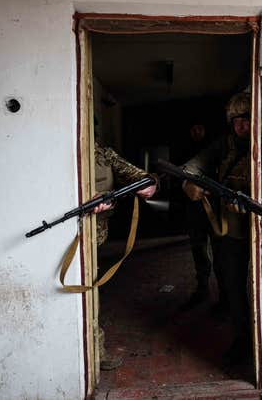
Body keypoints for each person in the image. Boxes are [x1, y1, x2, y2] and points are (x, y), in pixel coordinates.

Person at [181, 91, 252, 364]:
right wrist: (190, 183)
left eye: (245, 119)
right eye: (235, 121)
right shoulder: (225, 145)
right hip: (229, 230)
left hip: (261, 230)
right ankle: (241, 337)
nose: (240, 126)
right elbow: (193, 165)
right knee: (231, 283)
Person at [91, 143, 157, 370]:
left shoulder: (102, 152)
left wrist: (149, 183)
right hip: (59, 233)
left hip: (93, 235)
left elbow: (134, 173)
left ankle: (95, 353)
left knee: (90, 292)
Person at [180, 120, 227, 311]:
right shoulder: (186, 151)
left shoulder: (217, 149)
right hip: (194, 209)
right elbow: (182, 174)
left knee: (221, 255)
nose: (197, 132)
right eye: (193, 129)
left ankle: (225, 296)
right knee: (198, 251)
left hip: (215, 209)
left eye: (200, 127)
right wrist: (187, 186)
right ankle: (202, 289)